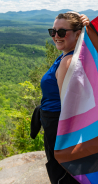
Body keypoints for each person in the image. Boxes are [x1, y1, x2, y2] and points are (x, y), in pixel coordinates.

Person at [40, 12, 90, 184]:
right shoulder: (67, 54)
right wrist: (79, 17)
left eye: (62, 32)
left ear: (77, 34)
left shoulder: (67, 62)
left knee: (61, 175)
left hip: (58, 127)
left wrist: (64, 144)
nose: (56, 36)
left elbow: (67, 107)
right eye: (53, 31)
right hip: (52, 123)